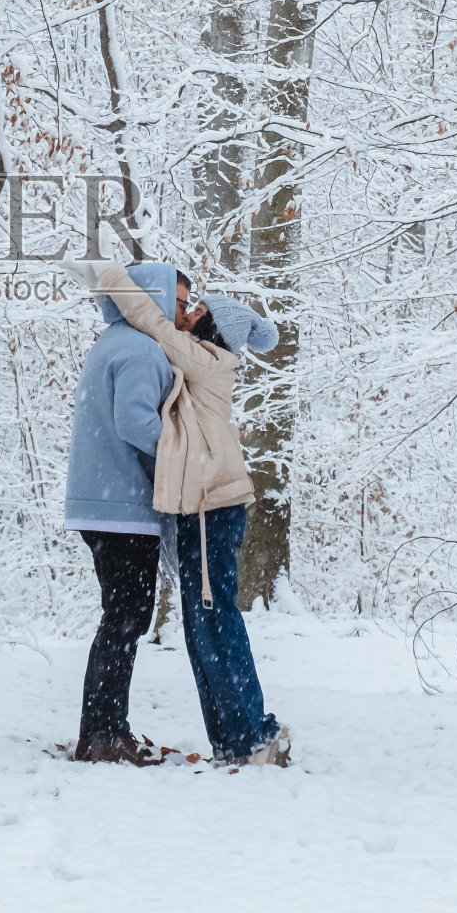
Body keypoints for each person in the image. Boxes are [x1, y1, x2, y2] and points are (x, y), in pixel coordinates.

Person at [97, 263, 290, 768]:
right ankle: (236, 740)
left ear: (212, 329)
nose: (185, 315)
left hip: (211, 510)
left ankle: (252, 737)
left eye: (196, 311)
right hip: (206, 509)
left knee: (215, 622)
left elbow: (149, 317)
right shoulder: (203, 360)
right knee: (204, 626)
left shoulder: (206, 360)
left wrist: (107, 273)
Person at [64, 264, 190, 765]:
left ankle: (106, 729)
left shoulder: (113, 340)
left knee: (122, 617)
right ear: (154, 298)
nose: (183, 314)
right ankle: (102, 736)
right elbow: (135, 421)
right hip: (123, 508)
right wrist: (188, 458)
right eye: (178, 302)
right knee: (124, 619)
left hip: (102, 503)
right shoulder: (141, 348)